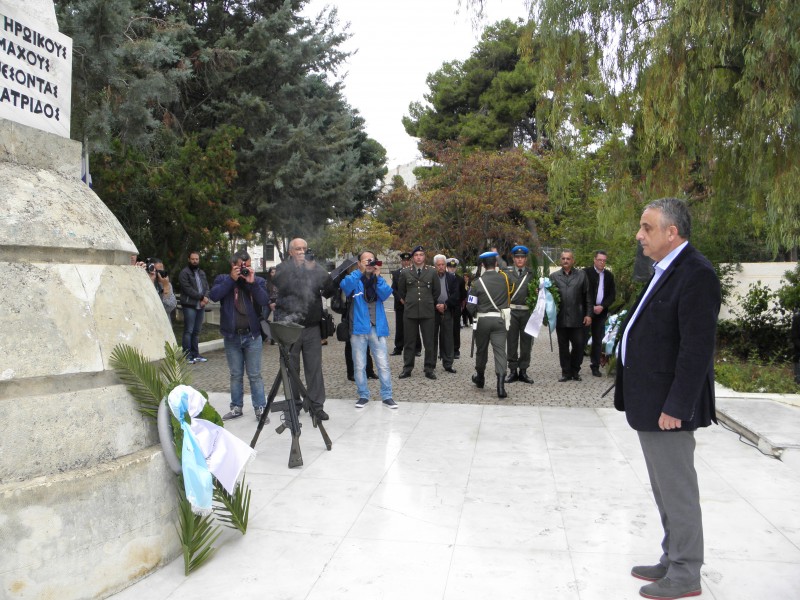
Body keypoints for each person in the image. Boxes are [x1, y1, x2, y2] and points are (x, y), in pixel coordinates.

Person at [615, 198, 720, 600]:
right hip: (650, 402)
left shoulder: (696, 274)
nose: (639, 235)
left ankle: (686, 573)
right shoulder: (665, 269)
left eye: (646, 227)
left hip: (668, 408)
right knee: (663, 489)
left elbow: (696, 350)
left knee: (678, 490)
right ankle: (671, 556)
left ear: (671, 232)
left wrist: (676, 406)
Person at [271, 238, 337, 421]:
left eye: (304, 249)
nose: (302, 252)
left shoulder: (315, 268)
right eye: (298, 249)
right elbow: (282, 283)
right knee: (290, 368)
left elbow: (329, 289)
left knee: (314, 368)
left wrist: (315, 269)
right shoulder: (283, 267)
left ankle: (317, 406)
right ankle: (293, 405)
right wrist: (301, 269)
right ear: (291, 252)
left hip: (312, 326)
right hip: (289, 326)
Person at [208, 250, 270, 421]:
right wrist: (231, 279)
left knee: (255, 375)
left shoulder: (257, 280)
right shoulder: (223, 280)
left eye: (248, 266)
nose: (245, 269)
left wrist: (252, 283)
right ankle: (236, 407)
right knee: (235, 374)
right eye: (241, 267)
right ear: (233, 266)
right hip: (232, 337)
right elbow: (213, 296)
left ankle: (260, 408)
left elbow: (265, 301)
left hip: (252, 336)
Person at [340, 251, 397, 409]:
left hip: (377, 328)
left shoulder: (377, 279)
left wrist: (378, 277)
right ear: (359, 263)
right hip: (358, 328)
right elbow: (345, 286)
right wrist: (360, 271)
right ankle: (363, 395)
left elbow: (386, 293)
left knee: (383, 364)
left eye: (372, 260)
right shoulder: (355, 279)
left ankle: (387, 396)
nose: (369, 263)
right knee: (359, 365)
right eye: (366, 260)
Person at [466, 251, 510, 399]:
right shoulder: (505, 279)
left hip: (483, 320)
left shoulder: (476, 282)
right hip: (499, 320)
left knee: (481, 351)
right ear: (496, 264)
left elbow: (470, 305)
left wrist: (474, 315)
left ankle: (480, 377)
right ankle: (500, 386)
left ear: (483, 265)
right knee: (500, 352)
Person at [397, 245, 440, 379]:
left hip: (427, 312)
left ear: (424, 257)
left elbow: (436, 291)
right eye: (416, 255)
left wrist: (427, 302)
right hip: (410, 312)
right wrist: (410, 301)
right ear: (412, 257)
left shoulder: (432, 272)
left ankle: (429, 368)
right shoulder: (405, 272)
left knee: (429, 342)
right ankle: (407, 368)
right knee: (409, 342)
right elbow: (401, 291)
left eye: (421, 255)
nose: (418, 257)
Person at [550, 250, 592, 381]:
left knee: (579, 346)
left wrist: (588, 314)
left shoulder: (582, 275)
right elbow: (548, 297)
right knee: (563, 347)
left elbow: (588, 296)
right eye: (563, 258)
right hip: (561, 318)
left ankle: (575, 370)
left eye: (568, 258)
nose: (565, 261)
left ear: (573, 260)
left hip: (578, 318)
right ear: (560, 260)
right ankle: (566, 372)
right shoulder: (554, 276)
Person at [503, 245, 535, 384]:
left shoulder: (532, 273)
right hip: (512, 311)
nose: (520, 260)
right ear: (513, 258)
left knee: (526, 342)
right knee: (511, 341)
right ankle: (512, 370)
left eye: (522, 257)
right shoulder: (506, 273)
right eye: (517, 257)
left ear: (526, 259)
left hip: (527, 312)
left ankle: (523, 371)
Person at [583, 250, 617, 377]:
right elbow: (582, 292)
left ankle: (595, 366)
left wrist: (602, 306)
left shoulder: (609, 276)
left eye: (604, 260)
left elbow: (612, 295)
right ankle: (575, 366)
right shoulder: (586, 273)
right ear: (594, 260)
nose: (602, 262)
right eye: (599, 260)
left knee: (598, 340)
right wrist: (590, 307)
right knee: (581, 338)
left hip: (601, 312)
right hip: (587, 310)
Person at [178, 251, 211, 364]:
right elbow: (187, 289)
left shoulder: (201, 273)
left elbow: (207, 286)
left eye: (197, 259)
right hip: (189, 305)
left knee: (196, 331)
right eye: (192, 259)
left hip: (200, 306)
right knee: (189, 331)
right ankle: (187, 356)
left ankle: (195, 354)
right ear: (189, 259)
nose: (195, 261)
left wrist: (205, 297)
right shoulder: (184, 273)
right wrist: (201, 297)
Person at [432, 254, 459, 374]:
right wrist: (436, 305)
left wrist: (445, 305)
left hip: (447, 310)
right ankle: (430, 363)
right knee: (432, 338)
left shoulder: (452, 278)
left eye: (443, 264)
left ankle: (448, 363)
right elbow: (427, 293)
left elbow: (456, 295)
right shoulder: (430, 277)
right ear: (435, 266)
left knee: (448, 337)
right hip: (433, 311)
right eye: (439, 265)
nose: (441, 267)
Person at [390, 251, 419, 356]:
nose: (406, 262)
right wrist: (400, 299)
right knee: (400, 326)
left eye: (408, 260)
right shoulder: (396, 273)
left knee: (414, 326)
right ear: (401, 262)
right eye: (404, 261)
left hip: (412, 304)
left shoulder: (415, 272)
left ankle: (416, 348)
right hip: (400, 304)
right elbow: (394, 288)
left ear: (410, 261)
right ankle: (398, 348)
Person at [448, 258, 466, 358]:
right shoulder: (443, 277)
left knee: (455, 328)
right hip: (445, 307)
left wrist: (461, 304)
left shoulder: (460, 279)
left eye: (454, 267)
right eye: (450, 267)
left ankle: (456, 350)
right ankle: (445, 349)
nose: (452, 269)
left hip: (456, 307)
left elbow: (463, 294)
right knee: (445, 329)